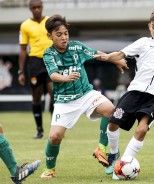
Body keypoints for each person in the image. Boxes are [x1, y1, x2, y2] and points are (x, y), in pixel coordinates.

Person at [95, 7, 154, 176]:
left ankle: (122, 165)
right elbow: (121, 53)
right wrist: (107, 57)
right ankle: (114, 154)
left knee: (142, 129)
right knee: (113, 122)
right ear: (149, 26)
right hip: (135, 92)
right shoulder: (142, 43)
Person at [40, 15, 128, 179]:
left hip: (86, 94)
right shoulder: (48, 54)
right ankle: (49, 168)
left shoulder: (77, 47)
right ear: (49, 36)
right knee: (54, 137)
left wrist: (115, 61)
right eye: (59, 34)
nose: (64, 37)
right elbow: (53, 75)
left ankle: (102, 148)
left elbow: (97, 54)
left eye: (66, 33)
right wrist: (65, 78)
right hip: (64, 101)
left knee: (111, 111)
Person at [18, 0, 53, 139]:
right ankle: (39, 130)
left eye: (39, 7)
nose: (37, 10)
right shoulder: (25, 25)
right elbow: (22, 49)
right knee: (36, 97)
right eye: (34, 8)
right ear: (30, 9)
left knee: (54, 95)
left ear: (42, 7)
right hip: (35, 63)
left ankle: (55, 128)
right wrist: (21, 71)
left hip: (50, 60)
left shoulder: (50, 21)